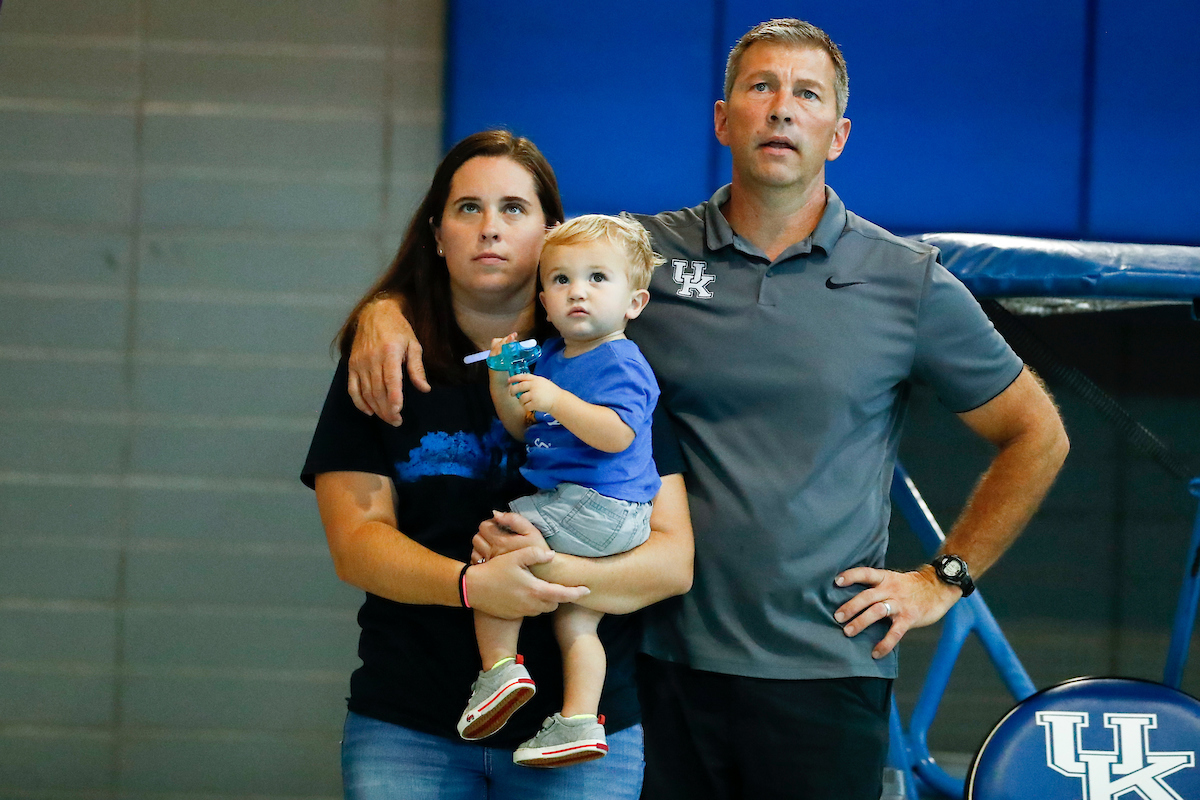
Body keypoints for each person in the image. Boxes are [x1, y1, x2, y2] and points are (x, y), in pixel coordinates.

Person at [341, 19, 1070, 800]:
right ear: (724, 120)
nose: (782, 109)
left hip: (823, 673)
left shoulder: (906, 282)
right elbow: (501, 258)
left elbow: (1036, 434)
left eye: (807, 94)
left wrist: (942, 579)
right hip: (658, 668)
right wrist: (383, 310)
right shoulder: (638, 255)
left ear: (839, 134)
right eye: (760, 87)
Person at [302, 130, 693, 799]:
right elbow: (357, 545)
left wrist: (545, 579)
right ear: (436, 233)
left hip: (584, 744)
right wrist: (472, 586)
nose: (490, 228)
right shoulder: (381, 361)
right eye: (468, 209)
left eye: (514, 209)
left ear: (548, 234)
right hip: (411, 725)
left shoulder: (613, 360)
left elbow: (672, 561)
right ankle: (496, 671)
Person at [459, 215, 666, 767]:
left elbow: (616, 433)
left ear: (634, 302)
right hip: (589, 510)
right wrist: (504, 383)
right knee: (577, 621)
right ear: (544, 301)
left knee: (494, 544)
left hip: (600, 504)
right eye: (560, 280)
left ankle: (499, 669)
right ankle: (577, 720)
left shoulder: (622, 361)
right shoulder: (551, 358)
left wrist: (555, 399)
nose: (578, 291)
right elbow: (523, 428)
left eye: (598, 278)